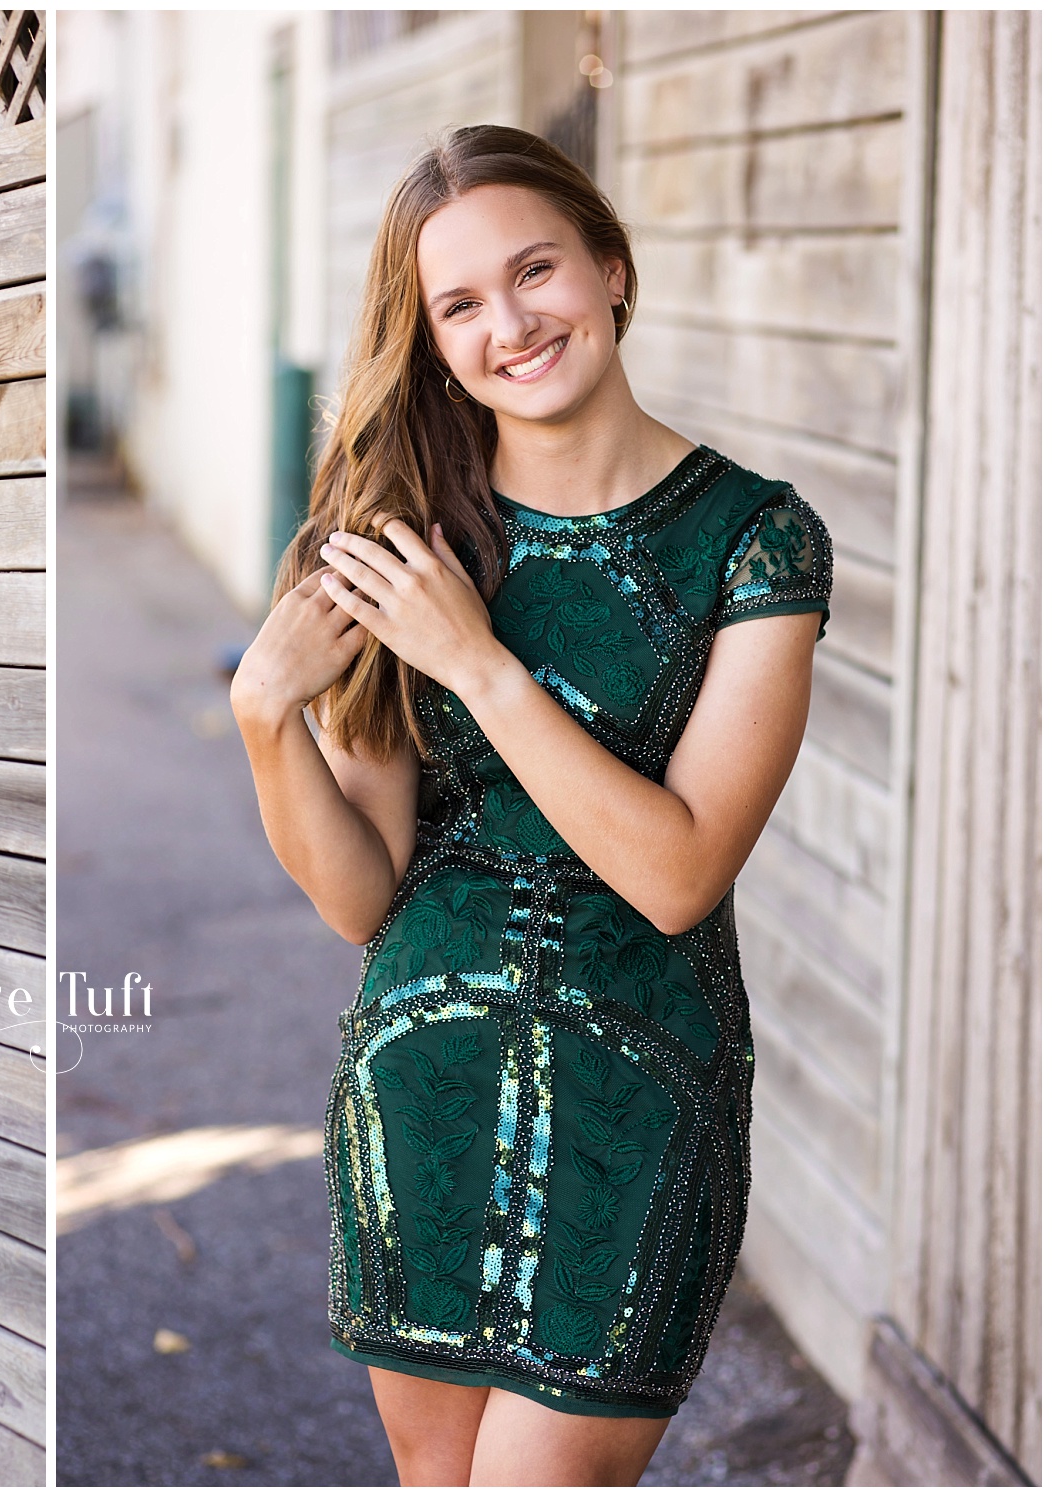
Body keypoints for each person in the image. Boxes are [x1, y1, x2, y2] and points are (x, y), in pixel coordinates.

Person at [229, 126, 832, 1484]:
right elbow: (360, 895)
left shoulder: (755, 538)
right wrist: (266, 720)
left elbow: (678, 873)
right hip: (422, 1081)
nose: (511, 324)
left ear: (611, 267)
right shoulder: (396, 529)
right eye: (460, 304)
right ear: (431, 338)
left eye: (537, 270)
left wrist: (480, 666)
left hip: (645, 1090)